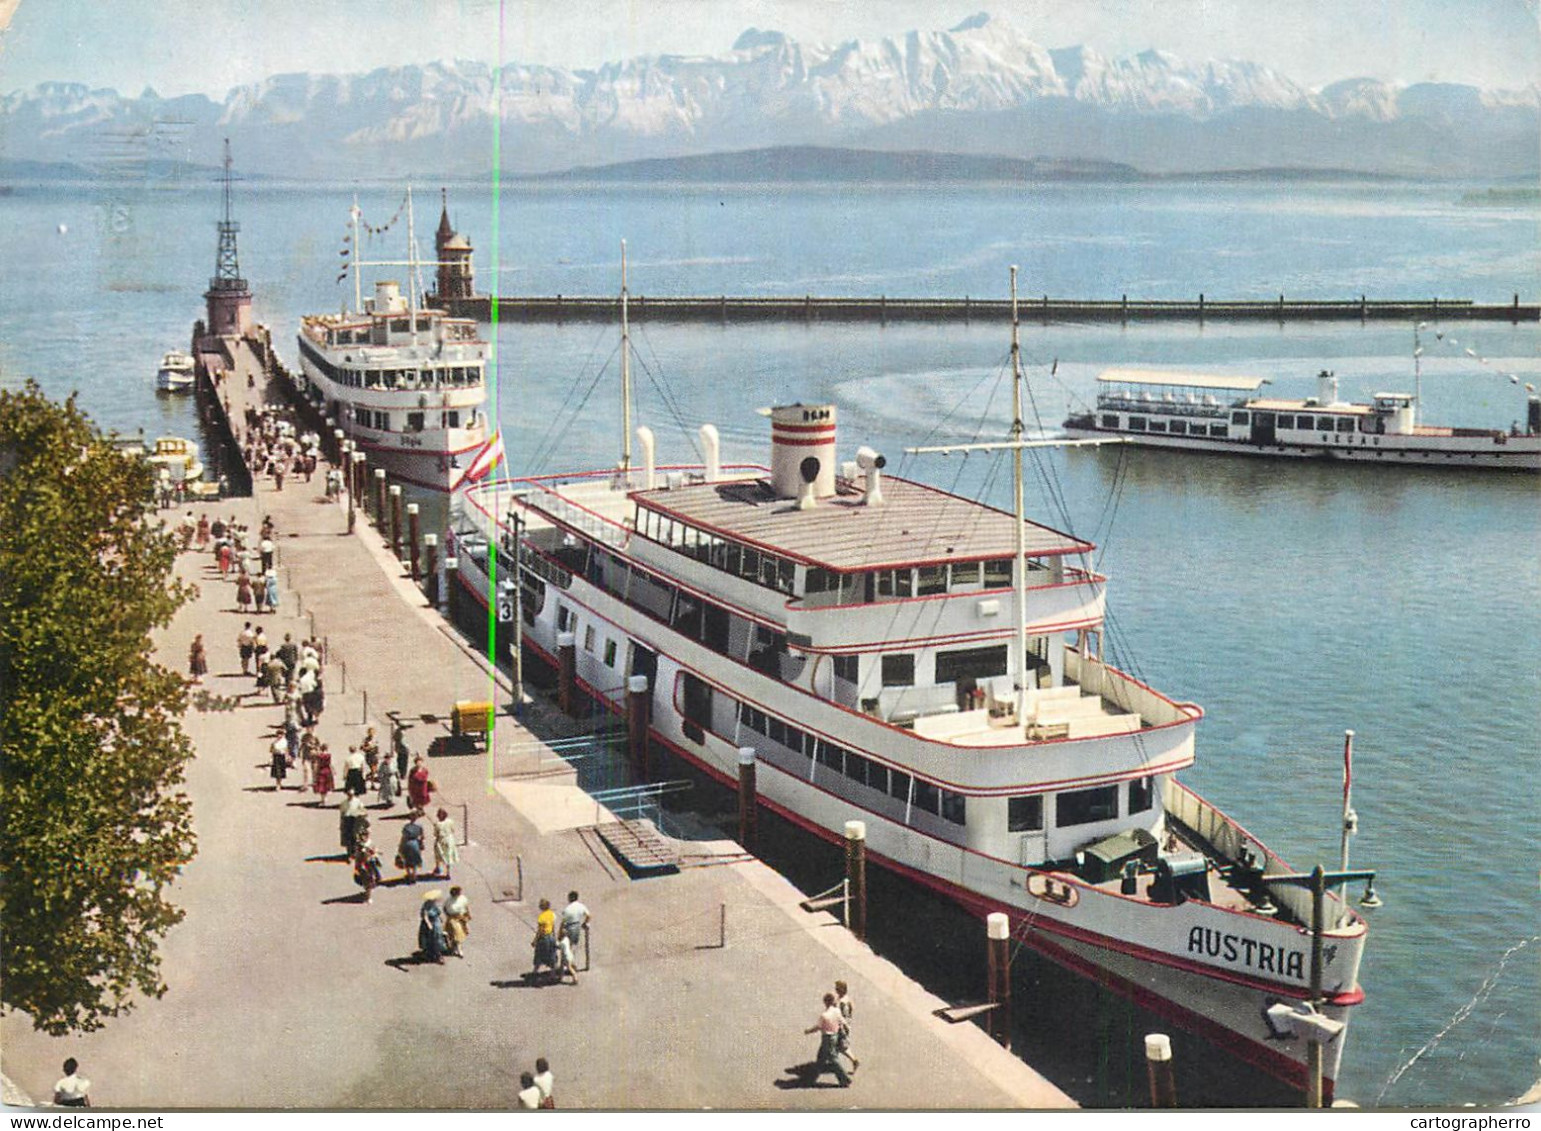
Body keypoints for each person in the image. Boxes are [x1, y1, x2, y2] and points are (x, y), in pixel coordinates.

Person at [804, 993, 851, 1088]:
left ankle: (845, 1079)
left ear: (825, 1002)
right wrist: (846, 1032)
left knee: (833, 1059)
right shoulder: (837, 1011)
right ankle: (811, 1078)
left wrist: (808, 1031)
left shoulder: (824, 1015)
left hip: (827, 1038)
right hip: (835, 1036)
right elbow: (843, 1022)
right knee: (821, 1057)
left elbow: (818, 1027)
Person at [558, 891, 589, 984]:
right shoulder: (581, 906)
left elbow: (563, 923)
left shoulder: (567, 909)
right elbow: (589, 915)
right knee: (572, 946)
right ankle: (566, 966)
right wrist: (585, 923)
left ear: (570, 898)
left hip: (569, 928)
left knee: (565, 948)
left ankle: (566, 966)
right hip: (577, 927)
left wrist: (559, 934)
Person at [530, 898, 559, 983]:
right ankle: (553, 975)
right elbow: (553, 927)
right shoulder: (552, 914)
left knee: (539, 955)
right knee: (552, 955)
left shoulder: (541, 917)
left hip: (544, 938)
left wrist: (535, 941)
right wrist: (554, 937)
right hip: (551, 937)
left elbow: (540, 931)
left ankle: (535, 972)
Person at [834, 980, 858, 1073]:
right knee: (839, 1045)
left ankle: (854, 1060)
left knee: (842, 1047)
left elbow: (841, 1015)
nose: (835, 989)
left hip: (841, 1027)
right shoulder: (847, 999)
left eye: (837, 988)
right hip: (846, 1025)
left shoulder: (842, 1002)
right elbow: (851, 1010)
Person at [417, 890, 446, 964]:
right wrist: (428, 923)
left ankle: (438, 954)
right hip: (429, 924)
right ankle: (429, 954)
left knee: (437, 938)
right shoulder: (426, 905)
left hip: (436, 922)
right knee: (428, 940)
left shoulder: (434, 904)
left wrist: (440, 918)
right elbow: (425, 915)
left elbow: (438, 913)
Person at [397, 810, 425, 883]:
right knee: (415, 860)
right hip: (415, 843)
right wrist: (421, 844)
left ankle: (409, 875)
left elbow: (403, 837)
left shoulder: (406, 826)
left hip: (407, 843)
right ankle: (414, 875)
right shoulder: (419, 826)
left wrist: (400, 846)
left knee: (407, 860)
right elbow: (422, 836)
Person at [353, 833, 383, 903]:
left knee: (371, 880)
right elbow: (357, 857)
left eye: (365, 835)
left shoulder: (370, 843)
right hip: (363, 866)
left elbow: (374, 853)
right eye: (362, 836)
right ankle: (368, 896)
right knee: (366, 881)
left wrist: (376, 856)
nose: (364, 837)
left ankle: (368, 894)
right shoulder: (359, 846)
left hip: (370, 864)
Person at [432, 808, 459, 880]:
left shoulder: (438, 824)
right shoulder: (450, 821)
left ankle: (438, 867)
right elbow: (453, 830)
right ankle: (448, 873)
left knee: (438, 853)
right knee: (448, 856)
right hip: (450, 840)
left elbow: (435, 834)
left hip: (441, 840)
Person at [443, 886, 470, 956]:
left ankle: (456, 948)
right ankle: (457, 949)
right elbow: (444, 908)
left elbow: (466, 907)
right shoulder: (449, 900)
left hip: (461, 918)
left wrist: (468, 915)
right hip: (452, 919)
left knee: (459, 934)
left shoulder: (463, 898)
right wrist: (448, 916)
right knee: (456, 933)